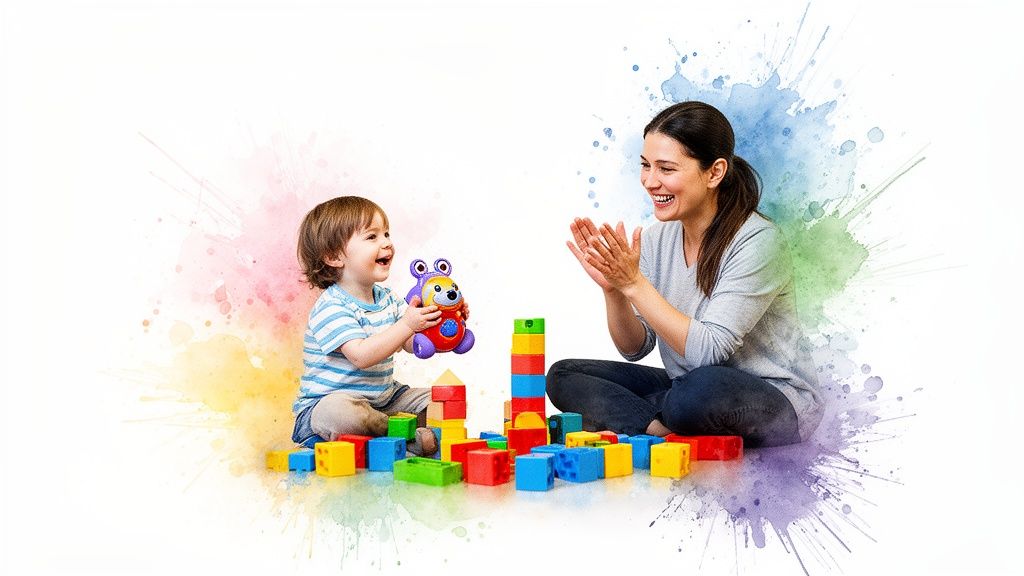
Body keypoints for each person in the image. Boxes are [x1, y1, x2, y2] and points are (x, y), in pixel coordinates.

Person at [547, 101, 822, 447]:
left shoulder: (759, 242)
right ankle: (657, 427)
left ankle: (654, 416)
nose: (650, 181)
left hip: (769, 397)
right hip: (688, 388)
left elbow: (710, 353)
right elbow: (635, 348)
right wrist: (615, 292)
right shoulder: (656, 238)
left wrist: (634, 284)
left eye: (666, 169)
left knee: (698, 390)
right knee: (564, 375)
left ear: (714, 173)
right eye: (646, 166)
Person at [291, 196, 457, 455]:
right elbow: (361, 356)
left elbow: (412, 343)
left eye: (386, 234)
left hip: (384, 399)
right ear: (334, 256)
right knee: (341, 413)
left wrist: (444, 325)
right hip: (326, 408)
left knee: (444, 401)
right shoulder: (331, 306)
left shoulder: (388, 299)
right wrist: (407, 324)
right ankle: (405, 438)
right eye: (372, 237)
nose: (387, 243)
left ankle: (397, 438)